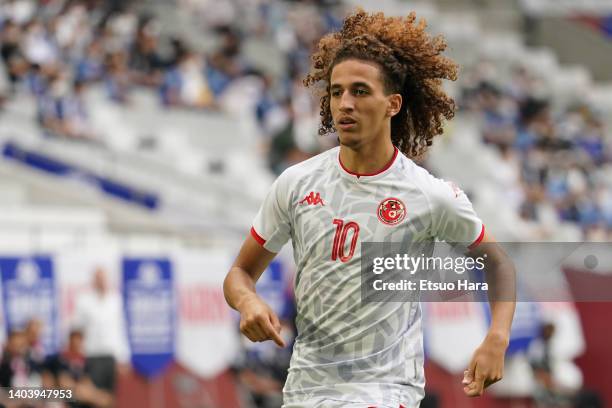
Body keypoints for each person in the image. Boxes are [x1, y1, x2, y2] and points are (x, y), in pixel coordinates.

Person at [223, 9, 516, 408]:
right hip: (306, 391)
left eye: (360, 91)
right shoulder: (297, 183)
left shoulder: (429, 195)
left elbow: (496, 263)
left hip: (385, 391)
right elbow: (240, 273)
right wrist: (248, 301)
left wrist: (496, 337)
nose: (344, 103)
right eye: (336, 91)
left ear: (392, 104)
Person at [73, 267, 130, 401]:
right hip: (92, 355)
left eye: (103, 279)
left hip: (110, 355)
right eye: (98, 279)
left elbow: (120, 329)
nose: (102, 282)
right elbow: (77, 330)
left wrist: (123, 357)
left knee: (110, 397)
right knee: (93, 396)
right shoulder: (84, 301)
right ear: (94, 281)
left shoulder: (115, 300)